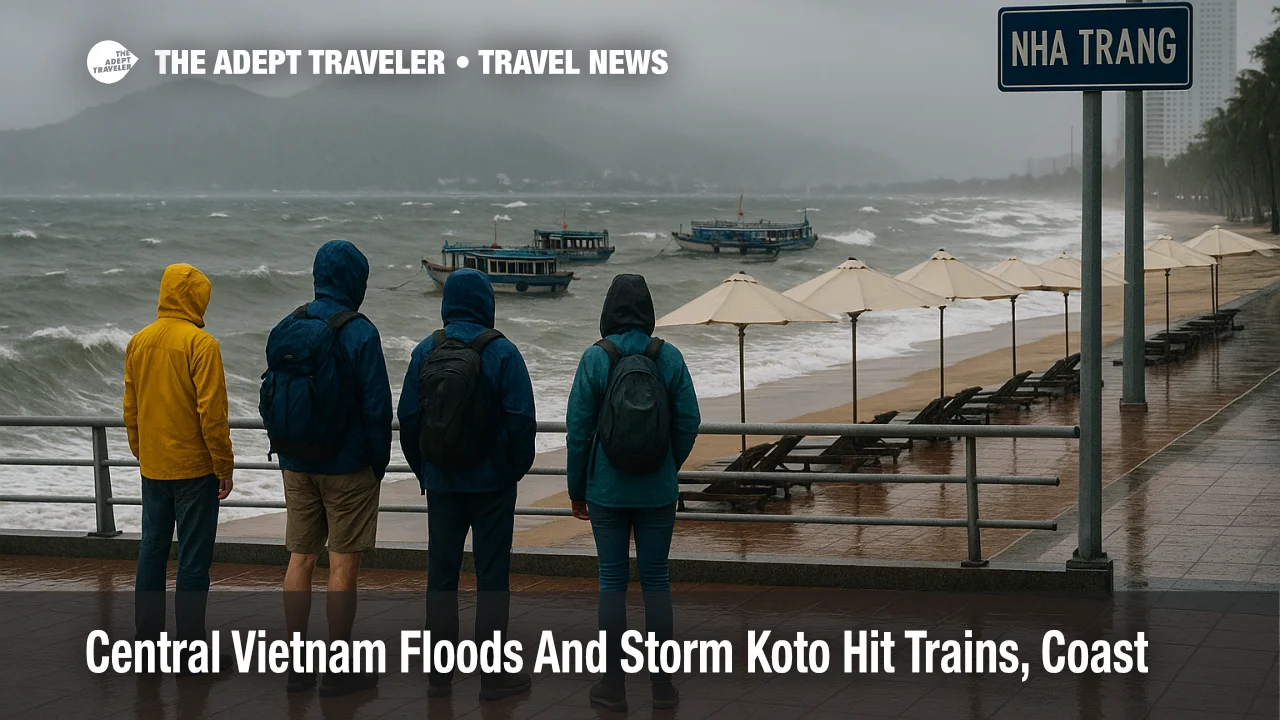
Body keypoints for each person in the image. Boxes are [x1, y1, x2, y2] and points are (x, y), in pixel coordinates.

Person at [260, 240, 392, 697]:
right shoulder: (360, 332)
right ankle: (338, 667)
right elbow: (377, 407)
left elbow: (272, 396)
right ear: (356, 280)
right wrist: (378, 463)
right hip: (348, 466)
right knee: (342, 565)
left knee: (300, 557)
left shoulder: (288, 324)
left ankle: (297, 663)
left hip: (295, 462)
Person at [398, 268, 536, 701]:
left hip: (442, 483)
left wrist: (426, 471)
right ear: (486, 302)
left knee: (441, 577)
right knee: (492, 577)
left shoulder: (426, 350)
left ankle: (440, 676)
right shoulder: (503, 352)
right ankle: (493, 677)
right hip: (492, 484)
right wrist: (511, 470)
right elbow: (521, 422)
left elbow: (408, 421)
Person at [565, 274, 700, 712]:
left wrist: (577, 488)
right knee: (656, 581)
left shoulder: (595, 358)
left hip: (605, 488)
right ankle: (662, 688)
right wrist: (667, 465)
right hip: (657, 490)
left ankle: (612, 686)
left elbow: (578, 431)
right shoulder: (669, 356)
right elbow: (688, 421)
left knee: (612, 581)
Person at [124, 263, 234, 672]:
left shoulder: (138, 342)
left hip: (153, 467)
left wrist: (141, 449)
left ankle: (146, 648)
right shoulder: (201, 345)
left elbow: (131, 406)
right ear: (196, 297)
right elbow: (212, 413)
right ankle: (191, 653)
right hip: (194, 468)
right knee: (192, 561)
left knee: (151, 554)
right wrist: (223, 464)